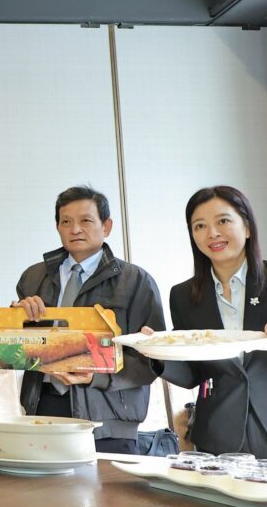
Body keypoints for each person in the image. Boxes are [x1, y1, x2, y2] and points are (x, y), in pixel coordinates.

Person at [145, 186, 267, 469]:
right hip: (222, 439)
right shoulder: (184, 295)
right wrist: (158, 353)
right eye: (200, 226)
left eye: (223, 221)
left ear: (247, 227)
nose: (212, 234)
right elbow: (194, 373)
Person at [13, 186, 164, 454]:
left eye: (86, 221)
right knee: (44, 495)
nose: (75, 229)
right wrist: (16, 318)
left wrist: (96, 376)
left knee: (108, 496)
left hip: (109, 412)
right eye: (66, 222)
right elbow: (21, 347)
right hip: (42, 406)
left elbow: (153, 360)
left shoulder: (136, 281)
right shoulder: (33, 278)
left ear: (106, 226)